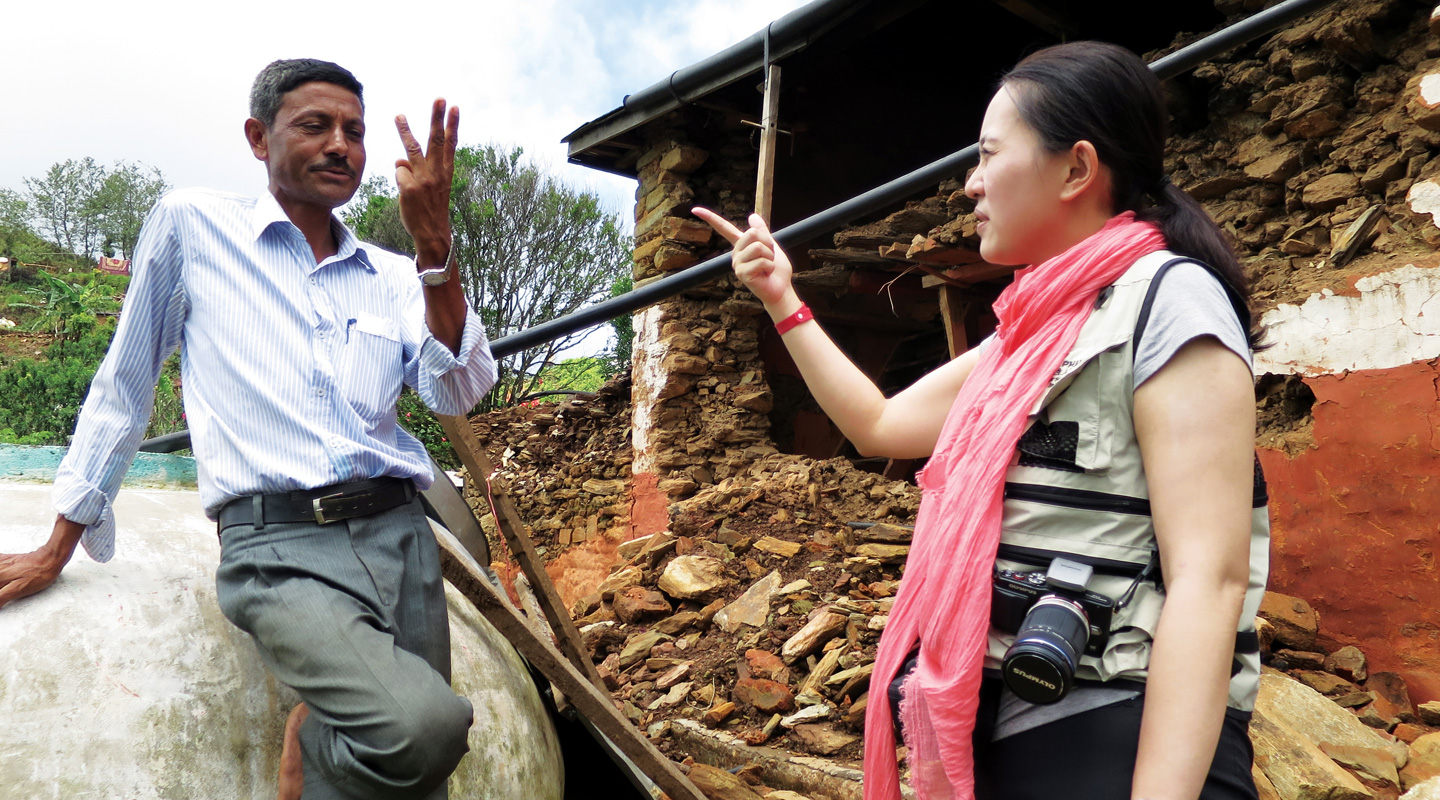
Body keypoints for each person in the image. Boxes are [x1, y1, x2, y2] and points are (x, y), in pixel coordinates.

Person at [695, 41, 1267, 800]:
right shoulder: (1026, 337)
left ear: (1075, 169)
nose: (970, 184)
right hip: (1003, 723)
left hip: (1115, 730)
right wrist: (782, 299)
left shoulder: (1169, 301)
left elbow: (1210, 580)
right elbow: (880, 424)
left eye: (989, 154)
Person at [0, 59, 496, 800]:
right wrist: (57, 544)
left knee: (417, 782)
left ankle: (325, 731)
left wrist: (434, 251)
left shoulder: (396, 276)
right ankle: (316, 743)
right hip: (279, 546)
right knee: (423, 728)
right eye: (315, 125)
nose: (341, 146)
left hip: (401, 536)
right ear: (258, 138)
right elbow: (124, 386)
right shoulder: (193, 227)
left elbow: (460, 385)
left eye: (354, 132)